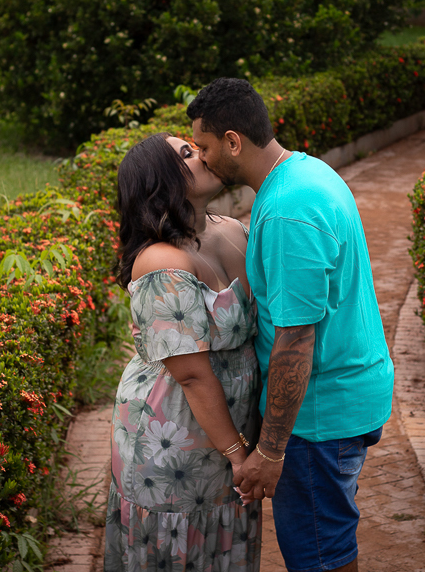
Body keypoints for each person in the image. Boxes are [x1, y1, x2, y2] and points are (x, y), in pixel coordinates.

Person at [186, 78, 394, 572]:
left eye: (205, 147)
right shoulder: (305, 173)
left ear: (234, 141)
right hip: (344, 397)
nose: (204, 158)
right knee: (327, 541)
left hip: (318, 419)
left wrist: (271, 451)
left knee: (321, 554)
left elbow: (296, 341)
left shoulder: (287, 211)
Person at [106, 132, 263, 572]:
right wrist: (238, 455)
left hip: (229, 428)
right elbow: (191, 374)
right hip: (171, 434)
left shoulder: (230, 229)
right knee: (179, 550)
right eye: (186, 154)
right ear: (161, 182)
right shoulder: (160, 259)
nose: (201, 154)